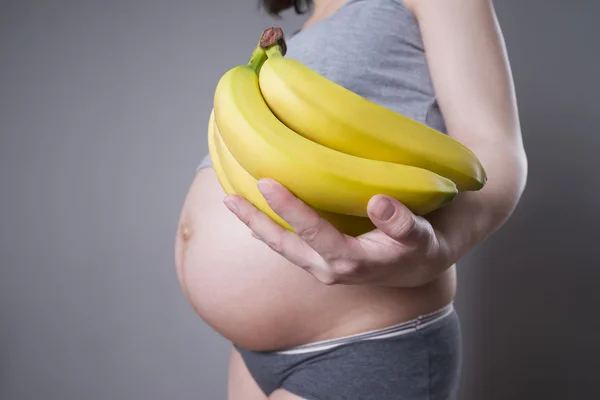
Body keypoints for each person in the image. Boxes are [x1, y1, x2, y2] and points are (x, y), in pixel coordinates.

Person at [174, 0, 528, 398]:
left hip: (362, 342)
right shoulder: (303, 32)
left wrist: (437, 249)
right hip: (253, 352)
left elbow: (493, 155)